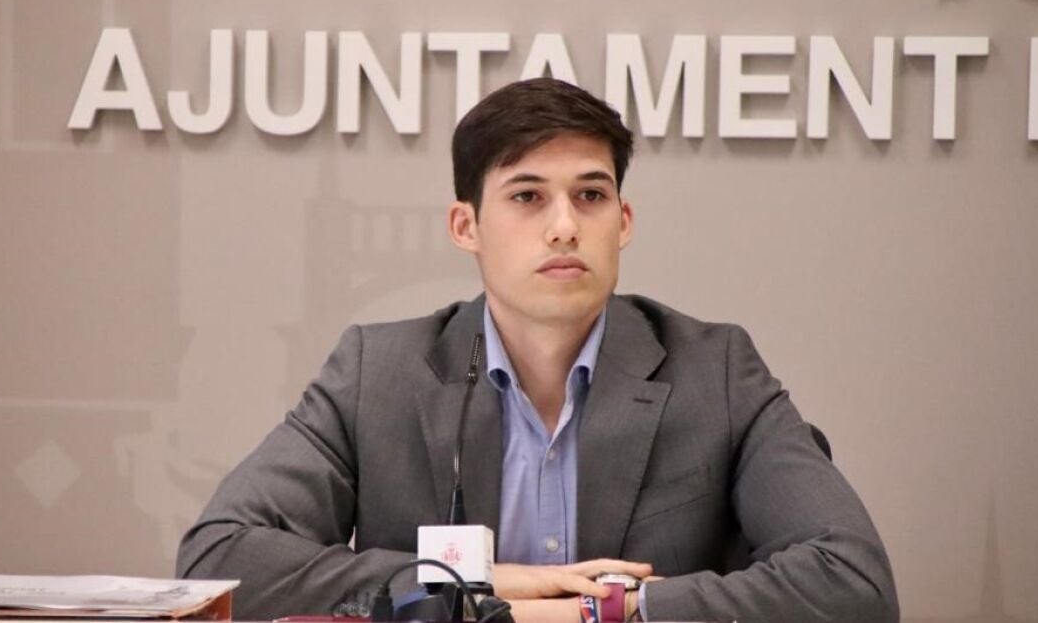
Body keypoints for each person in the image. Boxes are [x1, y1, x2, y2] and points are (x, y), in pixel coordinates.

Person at [176, 78, 898, 622]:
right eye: (527, 197)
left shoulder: (717, 371)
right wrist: (473, 585)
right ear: (466, 226)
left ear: (623, 220)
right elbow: (218, 560)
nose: (563, 227)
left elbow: (853, 581)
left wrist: (610, 612)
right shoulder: (378, 373)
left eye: (590, 196)